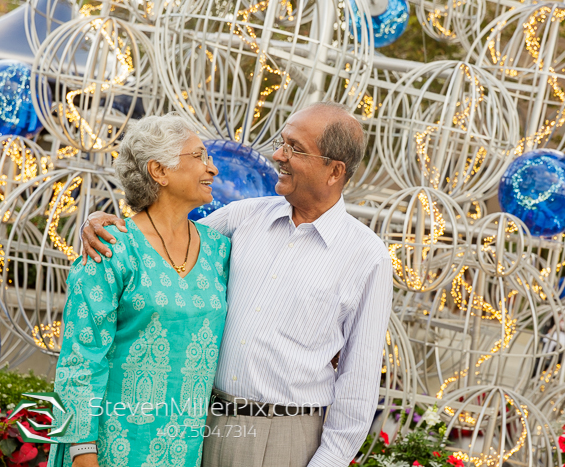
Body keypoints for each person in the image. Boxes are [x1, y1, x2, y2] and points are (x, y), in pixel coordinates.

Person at [80, 102, 394, 467]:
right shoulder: (242, 218)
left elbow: (358, 381)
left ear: (334, 171)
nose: (278, 154)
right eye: (282, 142)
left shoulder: (367, 256)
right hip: (201, 428)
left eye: (295, 148)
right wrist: (102, 221)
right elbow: (158, 245)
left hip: (288, 440)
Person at [48, 114, 230, 467]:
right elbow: (80, 362)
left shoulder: (219, 250)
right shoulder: (109, 249)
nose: (213, 169)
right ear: (159, 171)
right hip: (108, 449)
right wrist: (84, 455)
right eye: (199, 157)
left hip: (184, 451)